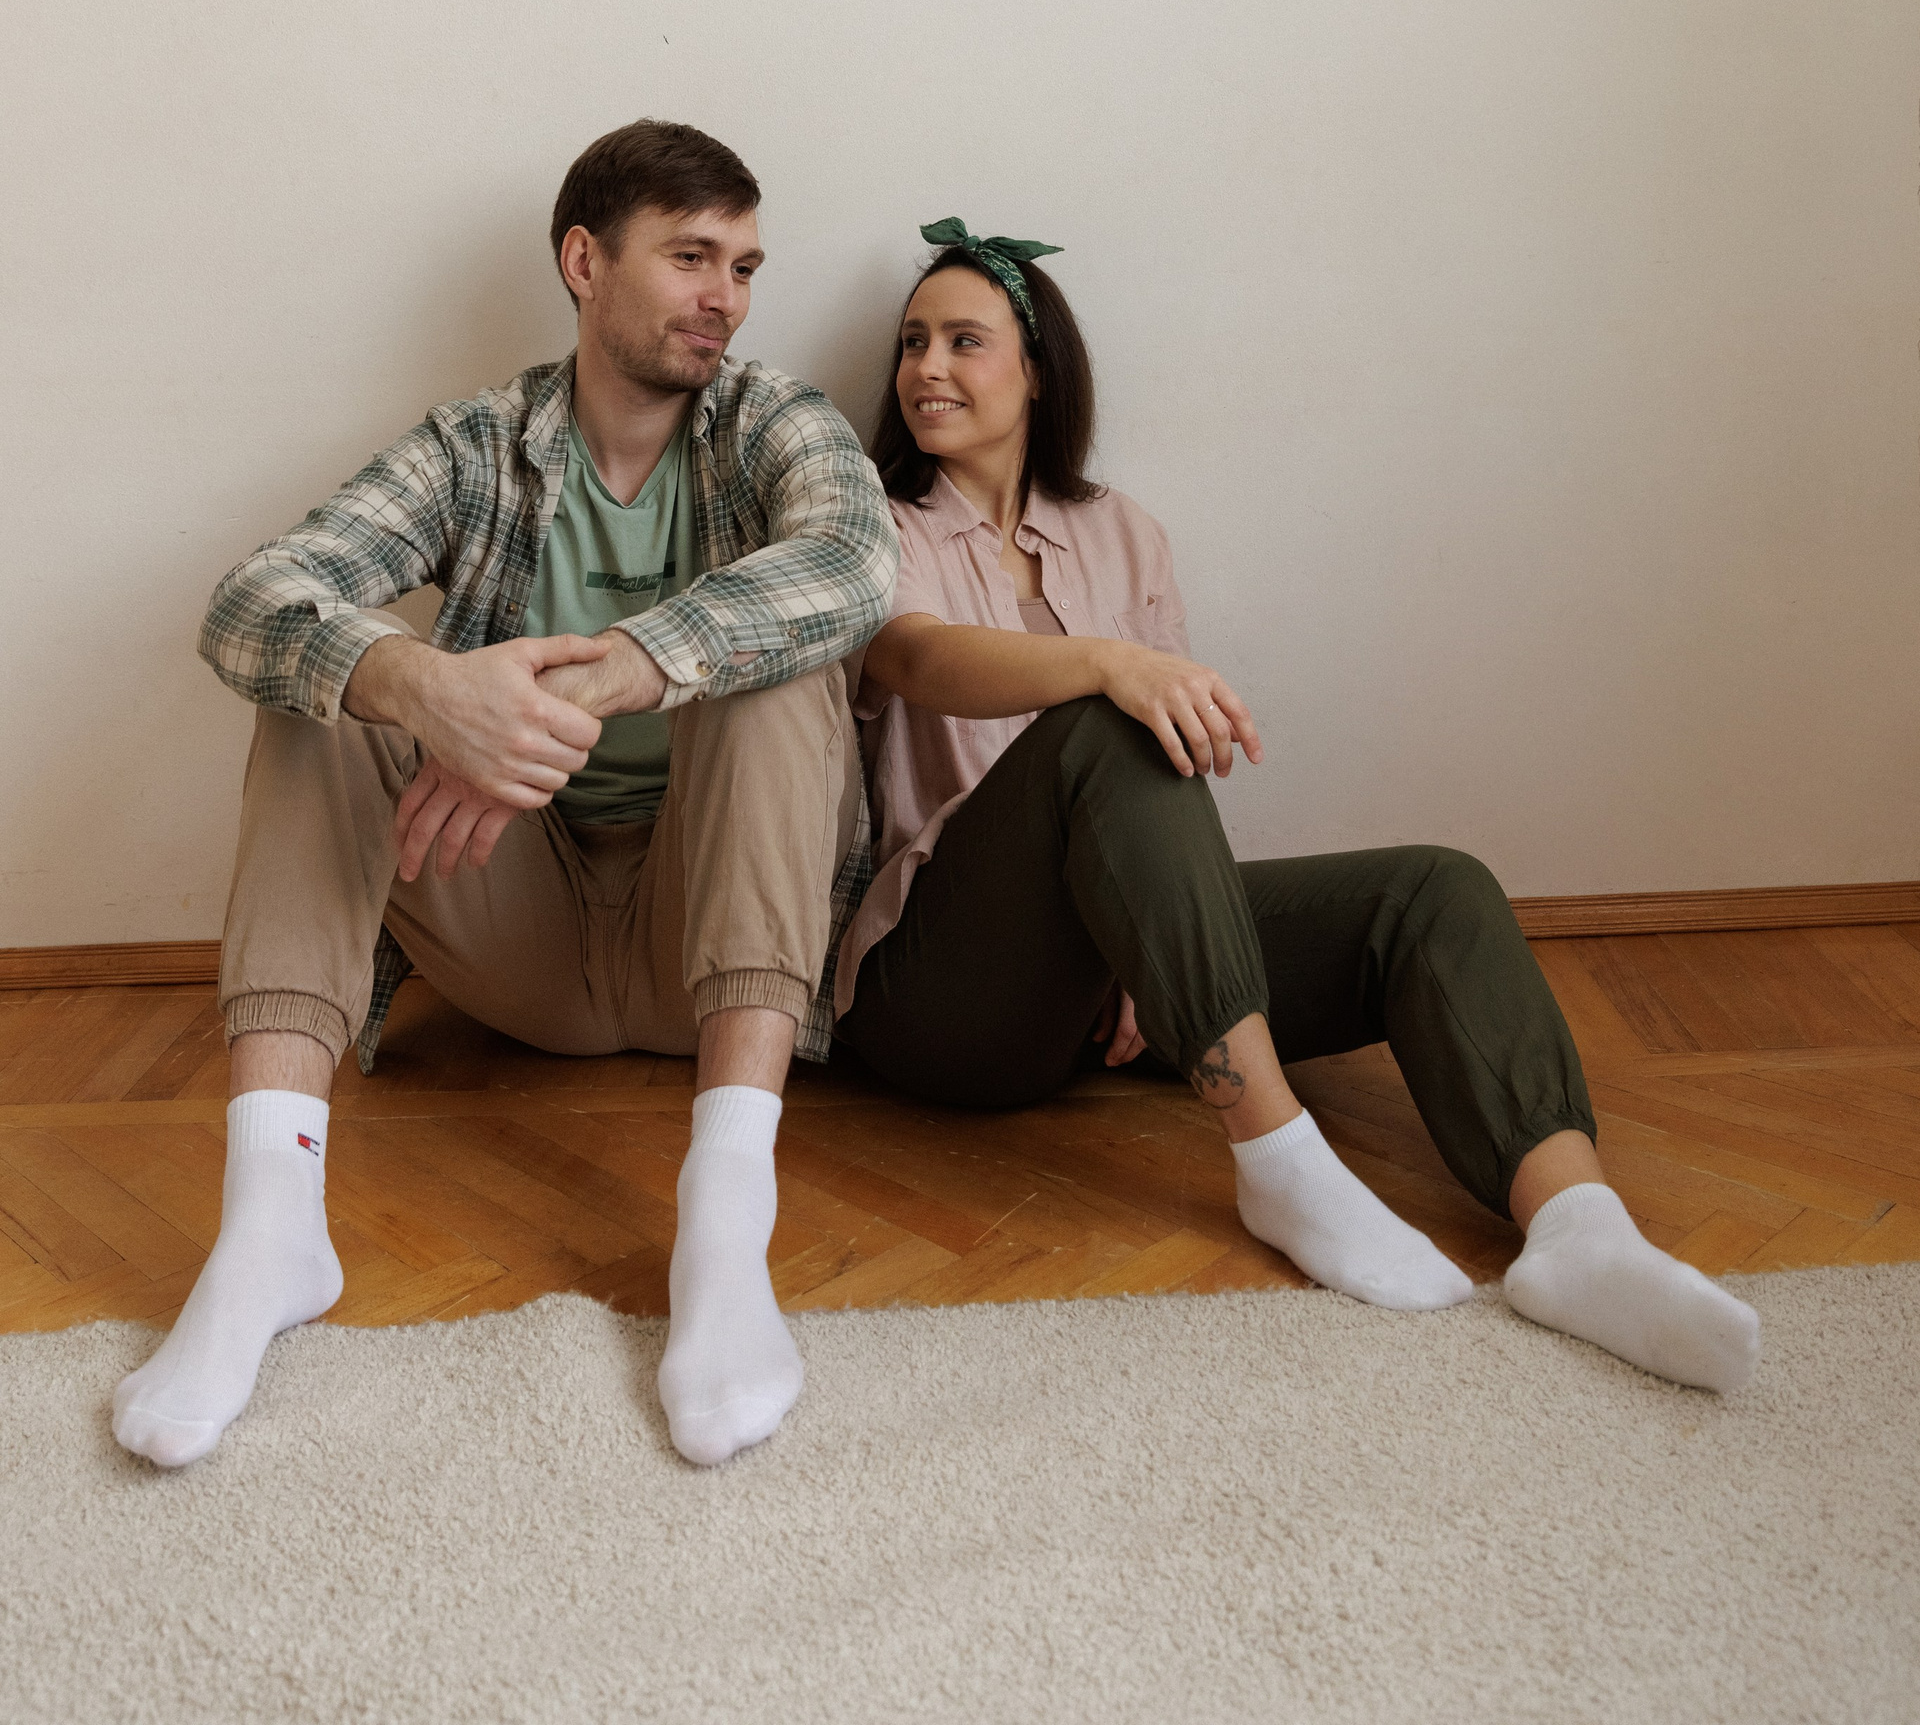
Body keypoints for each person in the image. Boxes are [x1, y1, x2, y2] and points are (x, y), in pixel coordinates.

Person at [837, 218, 1760, 1392]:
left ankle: (1580, 1229)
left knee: (1434, 892)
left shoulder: (1123, 533)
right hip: (944, 993)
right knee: (1107, 718)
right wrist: (1109, 663)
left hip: (1102, 987)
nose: (926, 367)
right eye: (913, 342)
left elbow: (1174, 762)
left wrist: (1146, 952)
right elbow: (915, 657)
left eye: (964, 340)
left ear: (1039, 370)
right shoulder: (874, 522)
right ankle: (1278, 1159)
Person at [111, 120, 898, 1474]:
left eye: (745, 266)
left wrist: (626, 668)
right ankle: (270, 1225)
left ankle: (725, 1225)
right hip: (519, 930)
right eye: (691, 257)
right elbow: (252, 600)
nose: (726, 295)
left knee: (775, 667)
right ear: (585, 262)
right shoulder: (478, 445)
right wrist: (423, 689)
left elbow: (856, 562)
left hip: (713, 936)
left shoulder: (772, 420)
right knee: (324, 685)